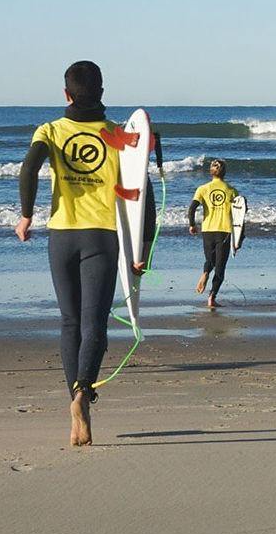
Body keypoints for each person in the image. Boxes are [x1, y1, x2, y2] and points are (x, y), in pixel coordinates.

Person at [14, 61, 155, 446]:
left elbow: (28, 169)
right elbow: (143, 195)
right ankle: (83, 393)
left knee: (69, 323)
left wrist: (26, 215)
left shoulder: (51, 130)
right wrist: (142, 250)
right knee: (96, 324)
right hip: (102, 237)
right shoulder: (117, 135)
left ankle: (73, 400)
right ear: (102, 93)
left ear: (66, 94)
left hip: (61, 235)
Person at [187, 158, 239, 309]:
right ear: (224, 172)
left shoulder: (202, 189)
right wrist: (239, 238)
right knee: (220, 266)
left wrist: (192, 225)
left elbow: (191, 208)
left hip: (207, 230)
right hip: (225, 231)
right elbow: (239, 216)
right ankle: (212, 297)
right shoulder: (231, 190)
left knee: (210, 259)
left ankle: (205, 272)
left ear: (211, 172)